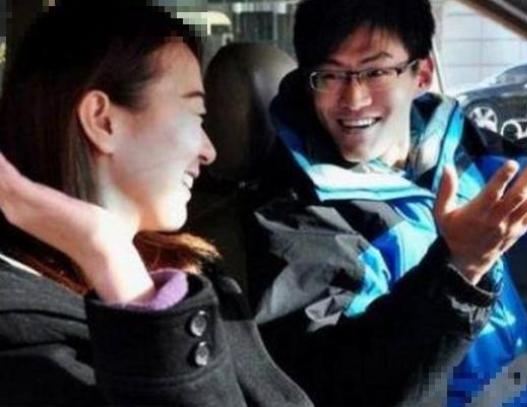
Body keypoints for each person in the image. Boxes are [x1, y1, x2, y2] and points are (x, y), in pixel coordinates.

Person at [247, 0, 527, 405]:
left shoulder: (451, 145)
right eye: (330, 75)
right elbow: (339, 385)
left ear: (423, 74)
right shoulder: (303, 219)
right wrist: (459, 268)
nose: (354, 99)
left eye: (376, 72)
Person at [0, 2, 314, 405]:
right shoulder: (20, 332)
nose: (209, 150)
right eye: (196, 114)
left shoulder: (194, 274)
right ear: (103, 121)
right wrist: (114, 264)